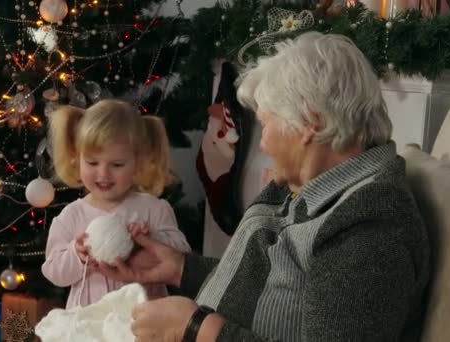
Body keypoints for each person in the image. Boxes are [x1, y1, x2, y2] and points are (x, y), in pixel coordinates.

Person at [98, 32, 430, 341]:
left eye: (266, 125)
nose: (264, 144)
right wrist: (182, 268)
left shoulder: (372, 228)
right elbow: (276, 283)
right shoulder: (316, 187)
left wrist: (197, 327)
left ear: (310, 123)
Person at [41, 99, 191, 309]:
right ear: (77, 158)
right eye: (92, 163)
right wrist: (76, 254)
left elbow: (182, 255)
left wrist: (149, 240)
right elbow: (54, 271)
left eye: (117, 164)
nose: (103, 174)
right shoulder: (72, 215)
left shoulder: (153, 209)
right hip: (90, 325)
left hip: (145, 323)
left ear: (137, 162)